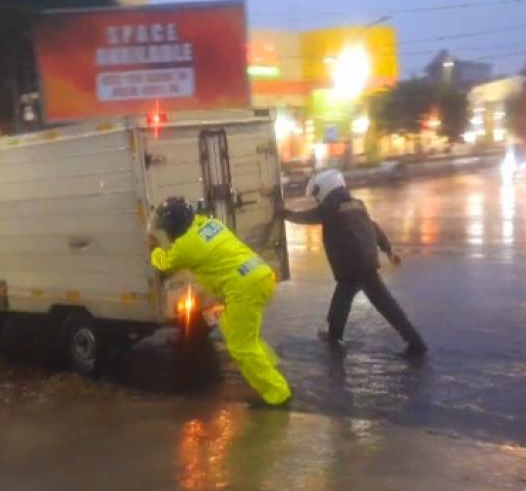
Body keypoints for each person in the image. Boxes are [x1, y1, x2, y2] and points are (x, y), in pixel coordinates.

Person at [149, 197, 293, 407]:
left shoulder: (186, 247)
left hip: (243, 288)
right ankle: (268, 366)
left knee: (241, 346)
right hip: (260, 275)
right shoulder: (209, 224)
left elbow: (164, 263)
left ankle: (277, 393)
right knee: (235, 330)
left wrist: (153, 249)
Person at [283, 169, 428, 359]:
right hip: (365, 263)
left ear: (326, 189)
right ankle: (415, 343)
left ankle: (336, 340)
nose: (317, 200)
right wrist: (388, 251)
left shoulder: (331, 207)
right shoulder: (358, 204)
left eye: (317, 195)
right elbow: (374, 228)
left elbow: (309, 217)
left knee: (354, 304)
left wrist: (286, 214)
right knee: (374, 305)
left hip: (352, 267)